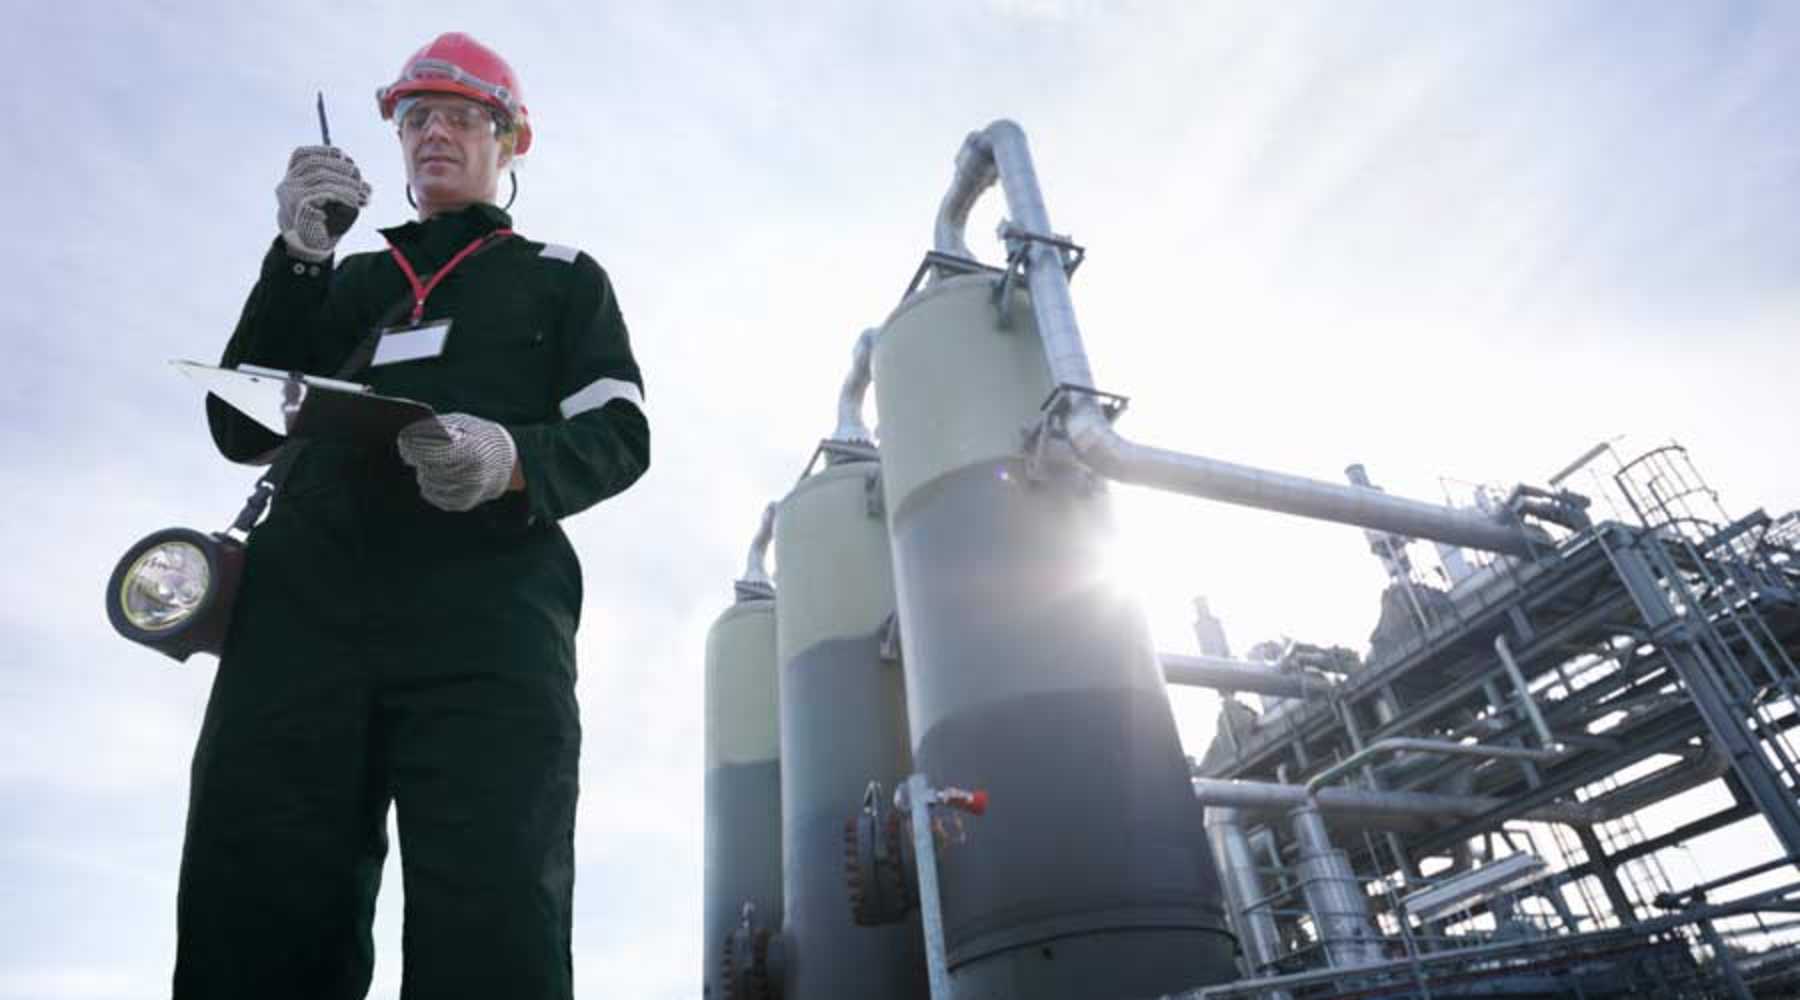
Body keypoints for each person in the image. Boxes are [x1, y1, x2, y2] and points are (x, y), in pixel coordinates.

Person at [177, 32, 648, 1000]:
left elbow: (619, 431)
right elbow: (238, 420)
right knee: (257, 880)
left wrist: (515, 458)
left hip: (488, 608)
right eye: (415, 117)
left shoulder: (562, 276)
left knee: (492, 895)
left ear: (510, 140)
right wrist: (300, 254)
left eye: (462, 116)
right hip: (304, 601)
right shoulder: (349, 281)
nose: (434, 132)